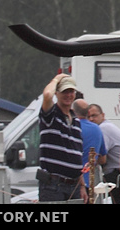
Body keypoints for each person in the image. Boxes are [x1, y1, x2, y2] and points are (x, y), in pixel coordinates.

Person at [37, 72, 86, 203]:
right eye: (64, 91)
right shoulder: (51, 115)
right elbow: (47, 95)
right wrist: (57, 78)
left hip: (74, 185)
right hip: (53, 185)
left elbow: (76, 154)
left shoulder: (75, 120)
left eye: (71, 91)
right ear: (57, 93)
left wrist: (82, 185)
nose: (68, 95)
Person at [70, 98, 108, 197]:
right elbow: (103, 159)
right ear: (88, 112)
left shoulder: (71, 127)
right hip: (89, 182)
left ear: (73, 111)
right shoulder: (97, 129)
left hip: (71, 181)